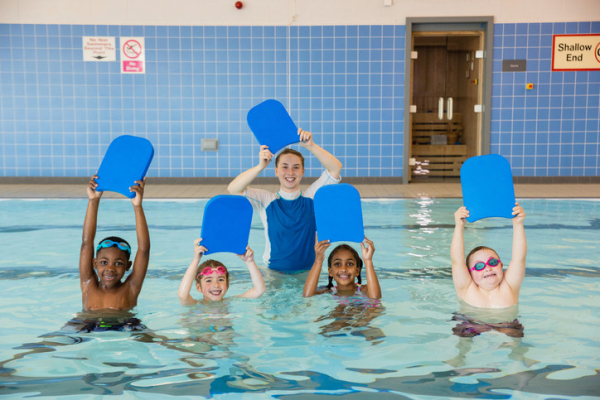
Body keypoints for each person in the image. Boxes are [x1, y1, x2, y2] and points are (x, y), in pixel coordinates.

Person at [227, 128, 343, 273]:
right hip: (274, 273)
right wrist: (260, 166)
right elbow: (234, 189)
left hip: (308, 273)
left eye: (296, 167)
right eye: (285, 167)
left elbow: (335, 169)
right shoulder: (267, 200)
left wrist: (311, 146)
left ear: (302, 171)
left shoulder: (312, 198)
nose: (290, 172)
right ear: (276, 171)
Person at [80, 175, 150, 311]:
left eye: (118, 263)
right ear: (95, 263)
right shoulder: (88, 284)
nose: (110, 269)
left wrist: (137, 206)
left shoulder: (131, 287)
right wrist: (93, 200)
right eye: (104, 262)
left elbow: (144, 250)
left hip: (125, 325)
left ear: (128, 266)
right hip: (87, 325)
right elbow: (86, 243)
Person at [451, 203, 527, 308]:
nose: (487, 268)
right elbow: (457, 261)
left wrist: (518, 223)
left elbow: (519, 258)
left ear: (501, 266)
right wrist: (459, 226)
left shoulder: (510, 286)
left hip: (508, 325)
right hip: (470, 324)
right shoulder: (467, 289)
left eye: (493, 262)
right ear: (469, 273)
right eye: (479, 266)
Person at [178, 239, 266, 305]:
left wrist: (249, 262)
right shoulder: (195, 305)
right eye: (208, 280)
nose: (216, 284)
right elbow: (183, 295)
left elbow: (259, 290)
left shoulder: (231, 301)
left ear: (227, 284)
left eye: (220, 279)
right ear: (198, 287)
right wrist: (195, 260)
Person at [303, 236, 381, 299]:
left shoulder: (365, 290)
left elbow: (375, 300)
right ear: (330, 272)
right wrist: (318, 261)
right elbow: (307, 297)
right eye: (337, 264)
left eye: (350, 264)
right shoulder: (328, 292)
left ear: (357, 271)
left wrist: (368, 261)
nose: (344, 269)